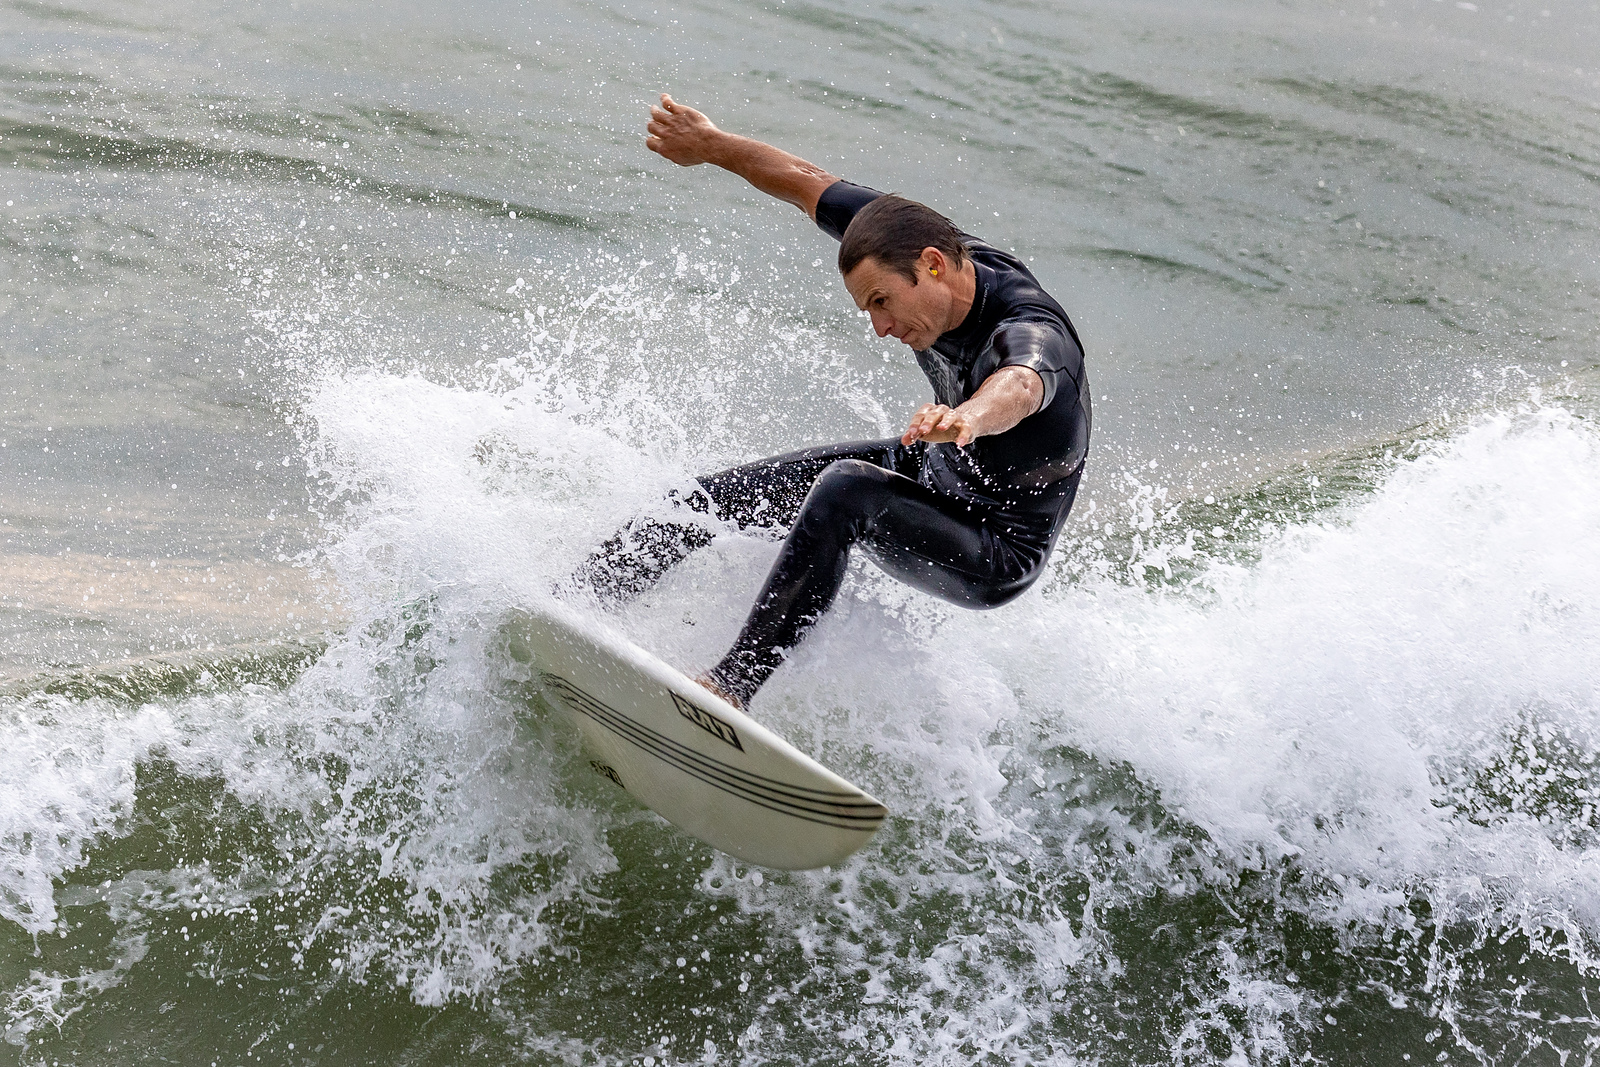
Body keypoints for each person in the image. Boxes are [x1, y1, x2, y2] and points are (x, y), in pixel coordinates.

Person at [572, 93, 1092, 710]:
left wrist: (967, 418)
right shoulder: (901, 241)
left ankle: (730, 689)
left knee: (847, 487)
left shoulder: (1032, 329)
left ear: (931, 267)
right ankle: (577, 598)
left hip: (996, 542)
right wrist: (712, 145)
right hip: (934, 472)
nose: (878, 327)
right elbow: (806, 183)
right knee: (710, 498)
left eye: (880, 302)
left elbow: (1023, 383)